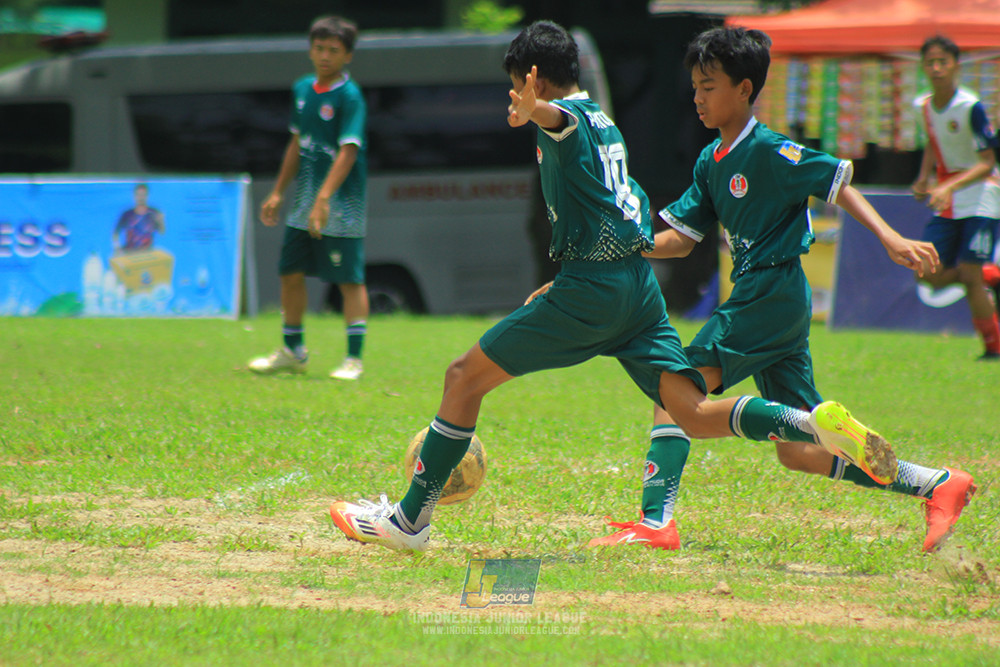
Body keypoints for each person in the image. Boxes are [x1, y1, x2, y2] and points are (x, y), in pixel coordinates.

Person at [329, 20, 901, 552]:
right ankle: (808, 423)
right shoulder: (604, 119)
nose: (514, 100)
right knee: (691, 412)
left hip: (596, 291)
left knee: (463, 377)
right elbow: (608, 206)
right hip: (636, 288)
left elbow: (559, 123)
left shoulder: (566, 118)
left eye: (514, 88)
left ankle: (408, 522)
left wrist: (536, 112)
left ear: (531, 79)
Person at [590, 26, 976, 555]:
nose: (698, 98)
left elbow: (837, 183)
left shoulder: (772, 150)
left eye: (709, 86)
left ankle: (657, 521)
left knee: (675, 390)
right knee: (797, 453)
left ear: (744, 89)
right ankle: (935, 483)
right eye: (695, 87)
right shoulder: (711, 161)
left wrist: (891, 237)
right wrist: (626, 247)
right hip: (769, 299)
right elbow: (681, 240)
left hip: (768, 293)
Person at [248, 15, 369, 381]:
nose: (324, 56)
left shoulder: (350, 96)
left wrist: (325, 198)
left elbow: (348, 152)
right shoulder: (302, 89)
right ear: (309, 50)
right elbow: (296, 144)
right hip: (303, 204)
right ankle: (293, 351)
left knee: (349, 279)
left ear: (347, 55)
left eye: (333, 50)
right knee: (289, 272)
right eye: (319, 48)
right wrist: (278, 192)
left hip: (340, 206)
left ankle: (353, 360)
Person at [912, 34, 1000, 361]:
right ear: (923, 66)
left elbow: (988, 161)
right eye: (930, 62)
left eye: (942, 62)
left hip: (981, 196)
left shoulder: (970, 106)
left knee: (970, 277)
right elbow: (934, 146)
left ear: (955, 66)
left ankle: (993, 349)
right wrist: (924, 177)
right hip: (948, 199)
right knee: (927, 272)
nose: (936, 68)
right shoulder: (923, 106)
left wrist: (948, 186)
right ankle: (990, 274)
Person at [113, 183, 164, 252]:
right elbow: (116, 233)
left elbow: (161, 232)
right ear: (134, 196)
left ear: (147, 195)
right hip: (129, 252)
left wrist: (161, 221)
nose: (141, 198)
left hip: (147, 253)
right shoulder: (127, 214)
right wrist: (117, 247)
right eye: (138, 195)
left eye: (143, 195)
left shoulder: (153, 213)